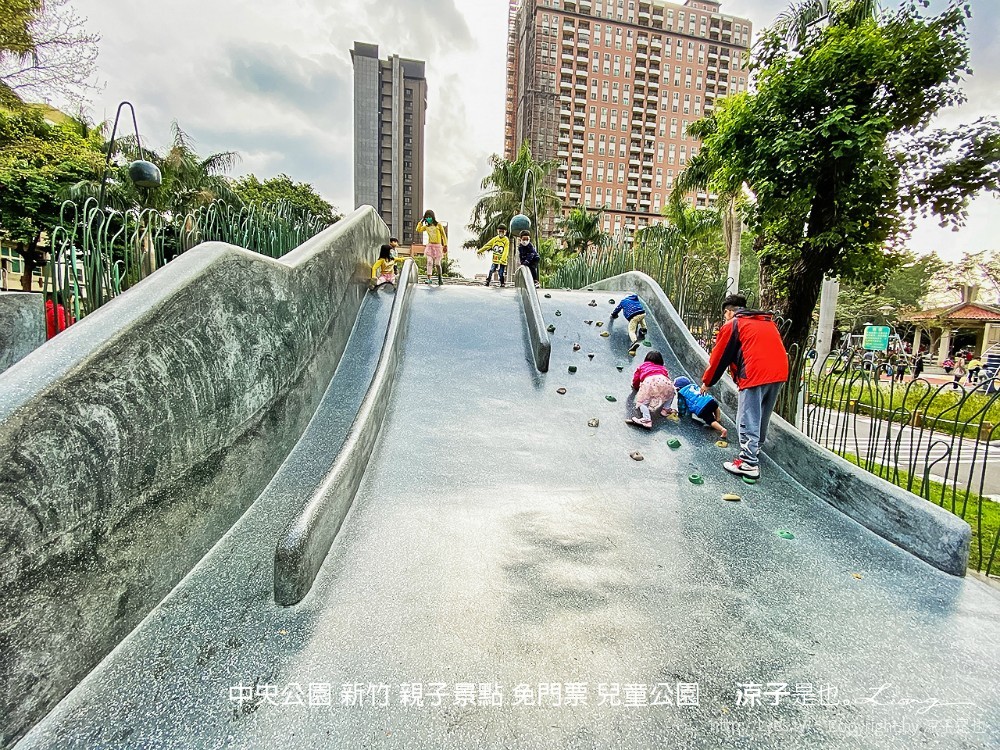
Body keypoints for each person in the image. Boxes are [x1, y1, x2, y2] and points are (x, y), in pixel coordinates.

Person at [702, 294, 788, 480]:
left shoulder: (734, 324)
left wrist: (707, 382)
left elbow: (719, 358)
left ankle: (748, 462)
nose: (725, 316)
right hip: (779, 372)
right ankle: (755, 450)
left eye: (725, 313)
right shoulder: (766, 322)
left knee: (747, 415)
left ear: (730, 311)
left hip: (754, 373)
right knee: (762, 414)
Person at [628, 350, 675, 429]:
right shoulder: (662, 368)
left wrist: (636, 387)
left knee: (643, 403)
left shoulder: (643, 366)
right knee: (670, 393)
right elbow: (666, 379)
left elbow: (636, 378)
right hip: (665, 380)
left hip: (650, 381)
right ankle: (666, 409)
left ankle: (646, 419)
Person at [415, 209, 447, 285]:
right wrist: (421, 222)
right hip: (430, 246)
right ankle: (429, 278)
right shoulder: (426, 227)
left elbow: (443, 235)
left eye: (429, 217)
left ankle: (440, 277)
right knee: (429, 262)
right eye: (427, 217)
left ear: (433, 217)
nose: (428, 218)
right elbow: (418, 230)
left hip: (438, 247)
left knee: (437, 264)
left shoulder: (438, 225)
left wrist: (445, 245)